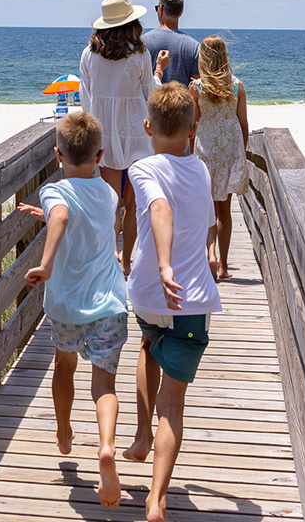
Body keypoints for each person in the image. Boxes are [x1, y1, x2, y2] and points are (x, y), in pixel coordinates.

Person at [16, 112, 129, 509]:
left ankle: (64, 432)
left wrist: (46, 265)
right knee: (105, 384)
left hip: (67, 305)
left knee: (64, 366)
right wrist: (47, 213)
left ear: (57, 154)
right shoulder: (110, 193)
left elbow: (64, 214)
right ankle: (107, 446)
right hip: (110, 304)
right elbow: (85, 219)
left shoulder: (54, 190)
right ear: (99, 155)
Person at [122, 83, 221, 522]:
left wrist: (161, 266)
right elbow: (202, 217)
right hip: (192, 300)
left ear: (148, 127)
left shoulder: (142, 168)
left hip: (148, 293)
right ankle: (157, 498)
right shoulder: (200, 169)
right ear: (193, 129)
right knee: (174, 407)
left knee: (147, 347)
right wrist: (208, 251)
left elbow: (158, 209)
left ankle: (141, 435)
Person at [79, 0, 154, 272]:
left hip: (105, 134)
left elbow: (85, 99)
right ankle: (127, 261)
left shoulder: (89, 54)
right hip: (136, 132)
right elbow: (150, 94)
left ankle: (111, 254)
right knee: (133, 204)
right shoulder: (140, 54)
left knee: (112, 201)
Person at [190, 36, 249, 281]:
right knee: (225, 210)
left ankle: (210, 253)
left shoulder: (197, 87)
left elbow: (193, 123)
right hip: (229, 150)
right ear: (225, 56)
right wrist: (241, 152)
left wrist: (189, 153)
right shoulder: (237, 86)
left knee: (206, 209)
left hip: (205, 149)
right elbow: (243, 123)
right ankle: (223, 266)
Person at [142, 0, 199, 87]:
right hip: (182, 101)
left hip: (149, 101)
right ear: (181, 13)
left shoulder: (143, 42)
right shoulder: (195, 47)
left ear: (160, 9)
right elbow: (196, 85)